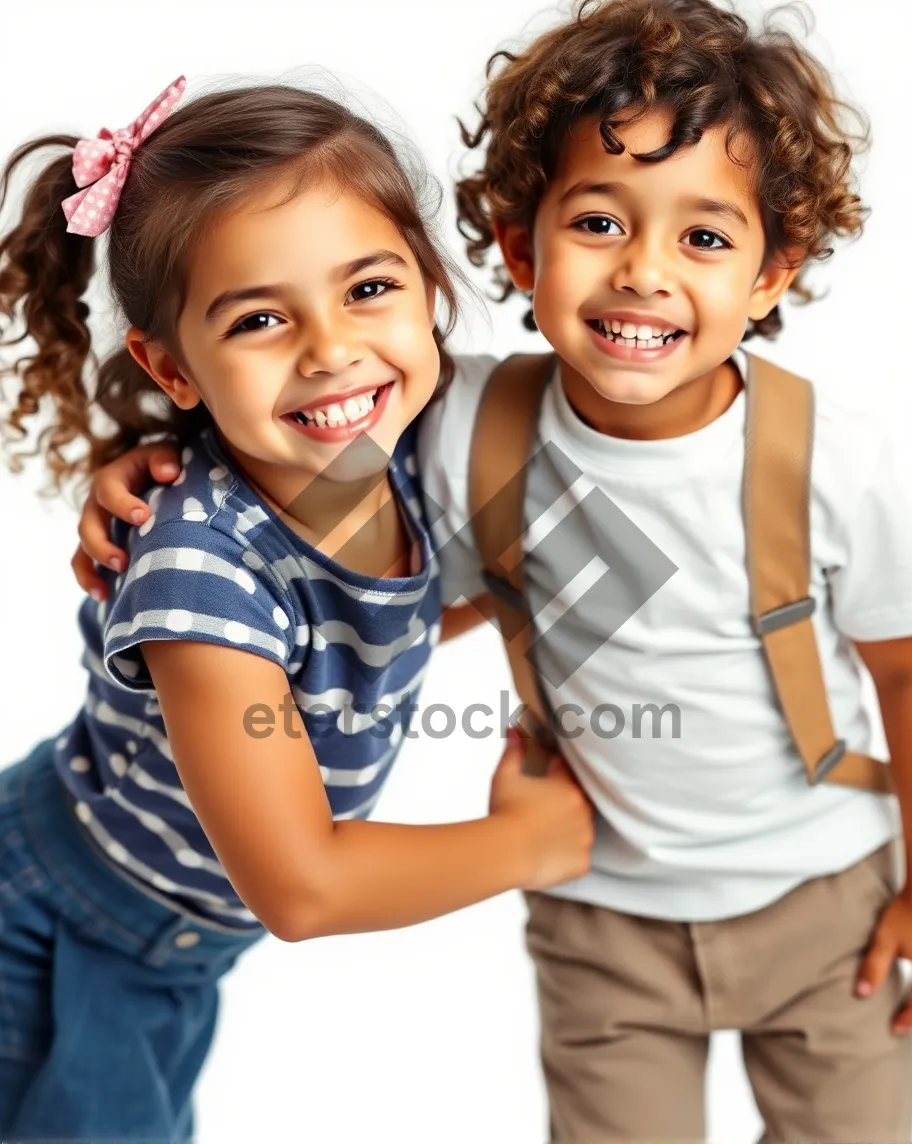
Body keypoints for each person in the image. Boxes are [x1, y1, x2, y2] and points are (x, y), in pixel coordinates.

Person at [76, 2, 912, 1140]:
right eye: (599, 222)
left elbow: (902, 675)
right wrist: (144, 477)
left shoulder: (843, 463)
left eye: (706, 238)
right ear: (521, 248)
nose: (645, 273)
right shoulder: (449, 418)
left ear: (775, 270)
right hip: (601, 916)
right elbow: (290, 508)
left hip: (828, 901)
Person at [0, 74, 594, 1141]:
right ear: (172, 366)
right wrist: (528, 844)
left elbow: (363, 625)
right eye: (262, 318)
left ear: (427, 285)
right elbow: (304, 886)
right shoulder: (201, 579)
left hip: (166, 942)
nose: (330, 349)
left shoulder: (371, 442)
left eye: (369, 289)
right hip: (61, 936)